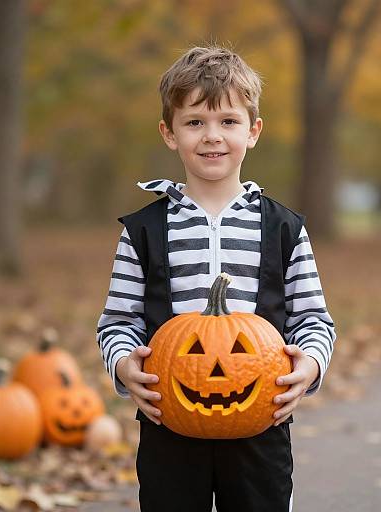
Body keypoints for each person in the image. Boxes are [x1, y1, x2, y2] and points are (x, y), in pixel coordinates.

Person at [96, 45, 336, 512]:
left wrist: (308, 367)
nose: (212, 137)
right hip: (170, 421)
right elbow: (117, 321)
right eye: (194, 123)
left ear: (253, 131)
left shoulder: (284, 228)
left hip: (260, 425)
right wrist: (126, 367)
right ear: (170, 133)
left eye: (228, 121)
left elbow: (313, 318)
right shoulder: (143, 231)